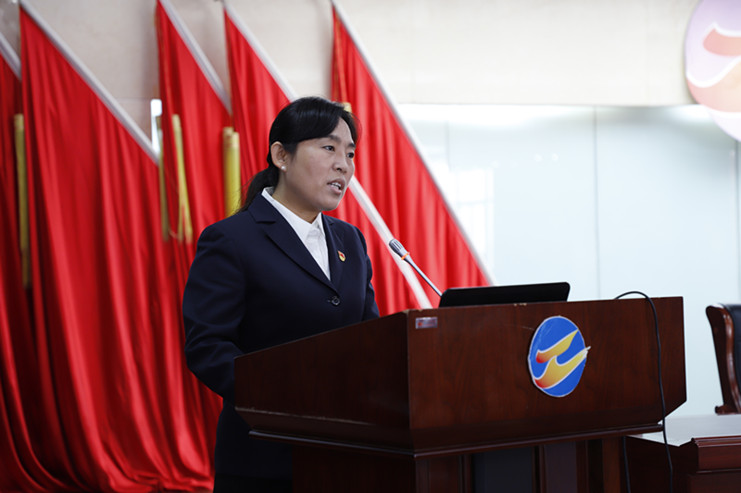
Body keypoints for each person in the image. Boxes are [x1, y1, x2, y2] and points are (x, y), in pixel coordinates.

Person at [182, 96, 380, 492]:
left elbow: (371, 338)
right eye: (329, 148)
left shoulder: (350, 240)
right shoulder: (232, 239)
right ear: (281, 156)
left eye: (350, 153)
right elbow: (207, 346)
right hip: (264, 459)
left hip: (346, 456)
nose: (344, 164)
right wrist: (287, 396)